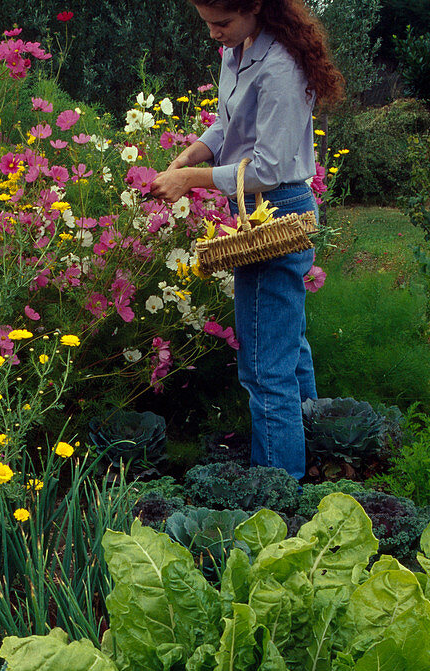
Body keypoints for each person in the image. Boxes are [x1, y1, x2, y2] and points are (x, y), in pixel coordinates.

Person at [150, 0, 344, 479]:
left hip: (277, 214)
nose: (214, 33)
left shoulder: (280, 67)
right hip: (258, 213)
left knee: (264, 368)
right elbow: (229, 122)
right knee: (288, 346)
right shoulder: (240, 47)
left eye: (221, 23)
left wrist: (192, 179)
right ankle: (313, 458)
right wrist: (193, 152)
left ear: (256, 7)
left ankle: (277, 495)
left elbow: (269, 168)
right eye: (207, 23)